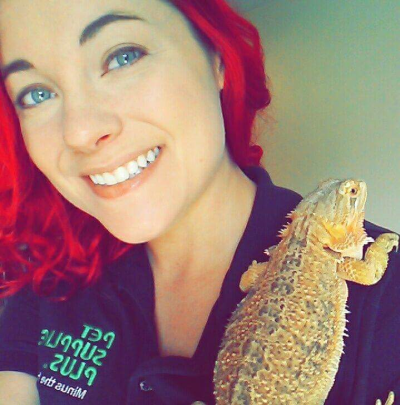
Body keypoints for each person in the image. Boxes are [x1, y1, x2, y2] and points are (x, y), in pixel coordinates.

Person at [0, 0, 398, 404]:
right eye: (36, 94)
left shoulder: (389, 299)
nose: (80, 132)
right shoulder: (45, 272)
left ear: (216, 57)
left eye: (123, 57)